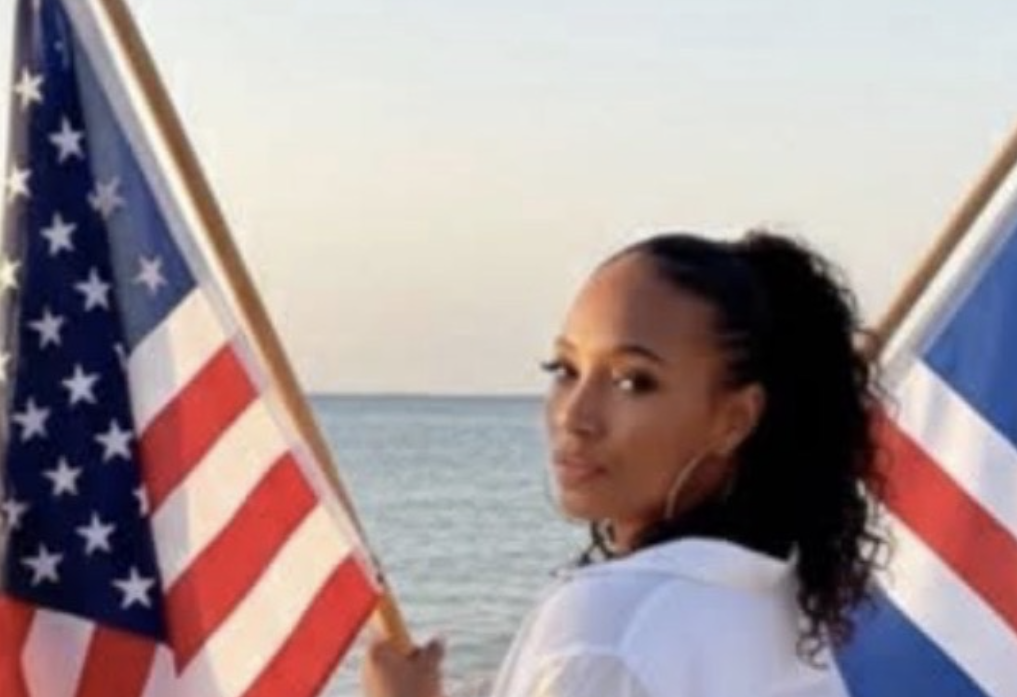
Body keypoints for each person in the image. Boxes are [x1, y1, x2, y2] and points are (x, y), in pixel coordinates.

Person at [363, 229, 885, 697]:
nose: (574, 415)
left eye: (633, 381)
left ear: (735, 418)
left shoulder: (609, 634)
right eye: (565, 369)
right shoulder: (772, 609)